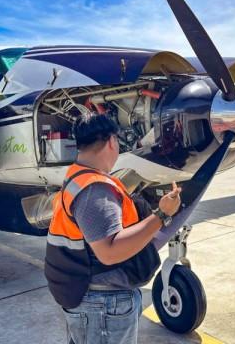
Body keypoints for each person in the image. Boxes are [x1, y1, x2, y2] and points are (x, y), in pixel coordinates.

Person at [45, 113, 182, 344]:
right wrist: (162, 214)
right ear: (111, 141)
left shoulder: (77, 177)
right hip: (102, 304)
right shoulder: (94, 190)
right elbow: (109, 253)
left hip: (93, 299)